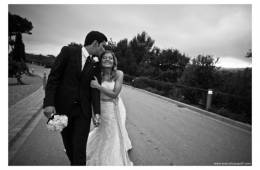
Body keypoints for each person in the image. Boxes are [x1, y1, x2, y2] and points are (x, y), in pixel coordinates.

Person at [43, 31, 107, 165]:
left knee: (79, 148)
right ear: (95, 43)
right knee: (69, 146)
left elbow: (95, 90)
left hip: (83, 112)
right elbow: (54, 78)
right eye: (102, 46)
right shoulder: (68, 52)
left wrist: (97, 112)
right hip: (64, 109)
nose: (103, 49)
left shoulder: (96, 62)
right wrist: (48, 103)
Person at [87, 50, 133, 165]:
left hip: (114, 107)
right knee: (101, 130)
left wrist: (98, 86)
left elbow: (115, 94)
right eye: (105, 58)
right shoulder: (96, 73)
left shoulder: (119, 74)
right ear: (101, 60)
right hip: (100, 106)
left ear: (114, 61)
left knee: (113, 132)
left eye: (110, 58)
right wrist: (94, 114)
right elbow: (92, 97)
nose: (108, 59)